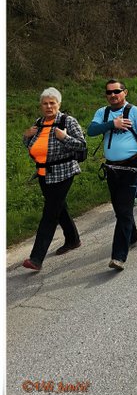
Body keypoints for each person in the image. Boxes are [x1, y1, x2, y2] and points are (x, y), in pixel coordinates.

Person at [87, 80, 137, 271]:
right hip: (112, 168)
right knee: (120, 209)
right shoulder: (103, 112)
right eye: (109, 92)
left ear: (125, 92)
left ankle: (118, 256)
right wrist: (112, 124)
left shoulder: (135, 112)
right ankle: (132, 237)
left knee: (123, 210)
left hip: (131, 165)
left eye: (117, 91)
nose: (113, 95)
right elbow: (91, 131)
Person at [21, 87, 86, 271]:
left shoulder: (67, 121)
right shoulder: (39, 123)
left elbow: (82, 145)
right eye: (45, 103)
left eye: (52, 103)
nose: (48, 106)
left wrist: (64, 137)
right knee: (59, 207)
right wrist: (26, 136)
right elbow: (32, 146)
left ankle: (36, 258)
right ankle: (73, 239)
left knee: (50, 213)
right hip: (43, 173)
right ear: (40, 105)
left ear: (59, 104)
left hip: (63, 172)